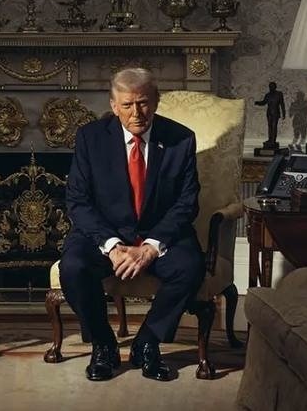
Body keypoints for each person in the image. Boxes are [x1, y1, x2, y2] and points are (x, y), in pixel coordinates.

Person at [60, 67, 204, 383]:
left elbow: (186, 203)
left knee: (190, 266)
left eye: (143, 103)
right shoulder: (90, 138)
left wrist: (152, 247)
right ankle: (104, 345)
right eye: (127, 105)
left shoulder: (181, 139)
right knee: (72, 267)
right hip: (105, 233)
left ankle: (147, 344)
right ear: (113, 106)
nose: (136, 113)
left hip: (159, 232)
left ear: (156, 101)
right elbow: (78, 201)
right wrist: (111, 246)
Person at [255, 82, 286, 147]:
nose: (270, 88)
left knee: (274, 127)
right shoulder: (268, 95)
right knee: (270, 127)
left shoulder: (279, 94)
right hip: (269, 113)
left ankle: (273, 140)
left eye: (272, 86)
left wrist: (284, 113)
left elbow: (282, 104)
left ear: (275, 87)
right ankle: (270, 139)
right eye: (270, 86)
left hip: (276, 113)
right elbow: (264, 102)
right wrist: (257, 103)